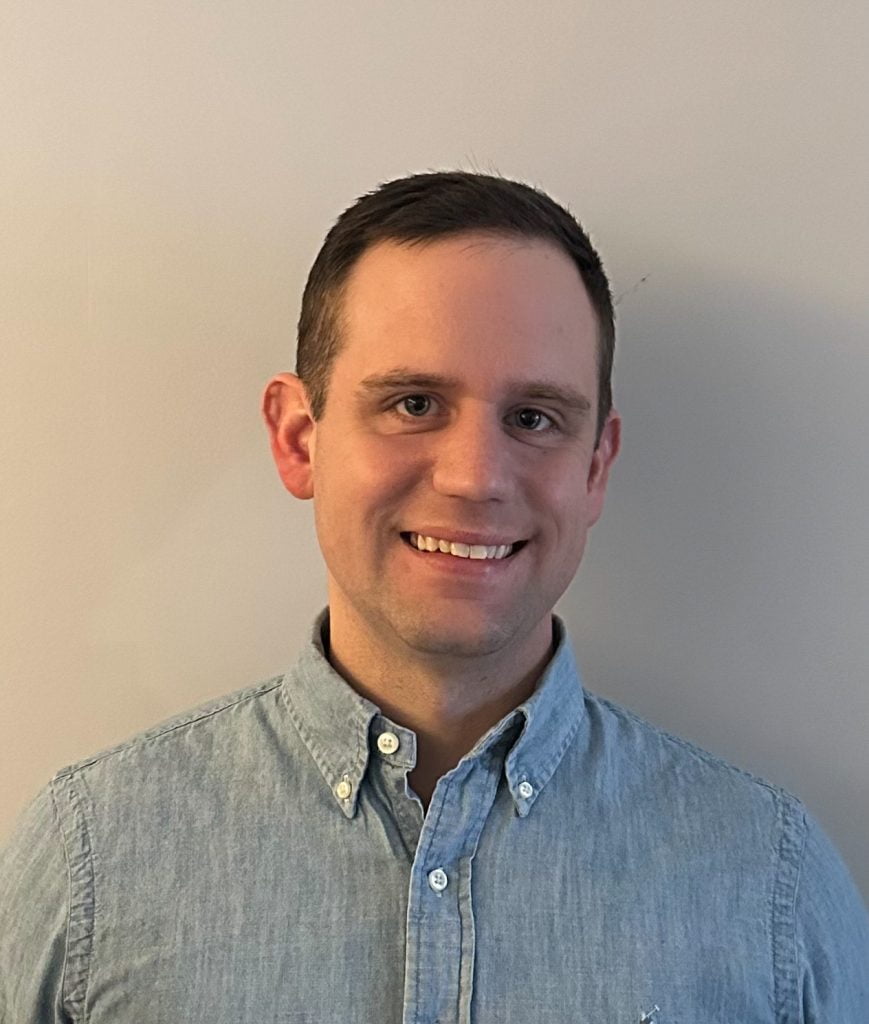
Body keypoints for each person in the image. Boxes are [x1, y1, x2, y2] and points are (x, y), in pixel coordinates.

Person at [1, 171, 866, 1022]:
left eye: (534, 418)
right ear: (299, 439)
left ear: (594, 467)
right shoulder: (93, 861)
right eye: (413, 403)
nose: (474, 478)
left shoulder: (771, 886)